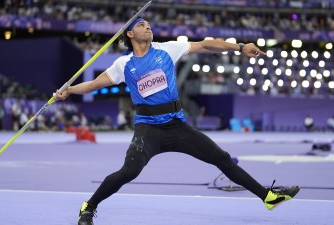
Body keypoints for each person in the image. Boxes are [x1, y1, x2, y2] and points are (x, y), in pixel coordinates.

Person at [55, 17, 300, 225]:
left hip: (177, 126)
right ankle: (88, 207)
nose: (148, 27)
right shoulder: (124, 64)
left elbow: (205, 45)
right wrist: (69, 90)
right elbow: (94, 85)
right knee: (129, 171)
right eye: (142, 25)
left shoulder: (167, 49)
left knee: (222, 159)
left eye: (149, 25)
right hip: (148, 129)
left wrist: (240, 47)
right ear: (130, 33)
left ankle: (267, 197)